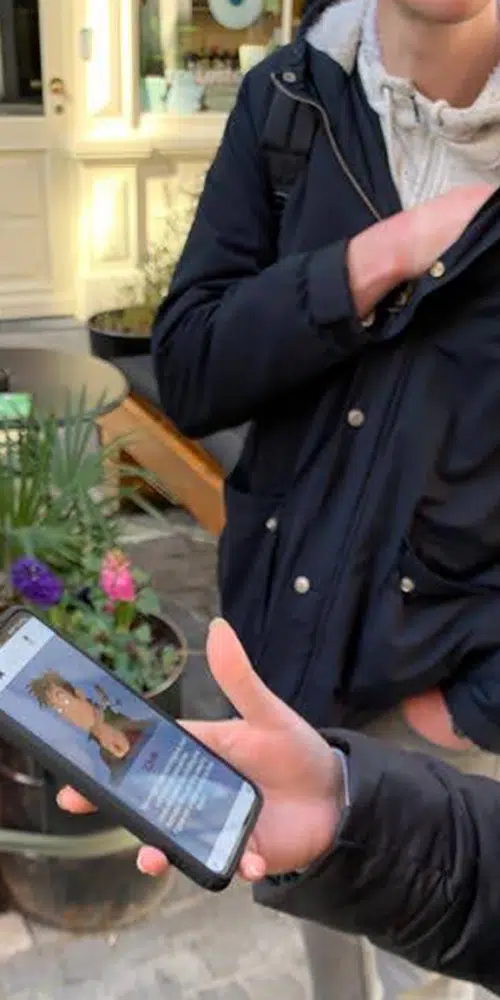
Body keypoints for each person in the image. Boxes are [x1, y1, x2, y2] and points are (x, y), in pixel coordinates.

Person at [150, 0, 500, 996]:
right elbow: (190, 366)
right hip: (285, 658)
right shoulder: (288, 100)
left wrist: (473, 706)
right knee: (322, 937)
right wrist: (375, 258)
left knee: (437, 954)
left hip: (440, 679)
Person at [59, 618, 500, 996]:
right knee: (334, 946)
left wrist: (475, 708)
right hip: (314, 723)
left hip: (420, 697)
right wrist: (343, 812)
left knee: (418, 983)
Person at [29, 672, 153, 775]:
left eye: (63, 700)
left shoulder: (130, 712)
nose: (65, 712)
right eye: (57, 709)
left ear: (79, 694)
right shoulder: (90, 755)